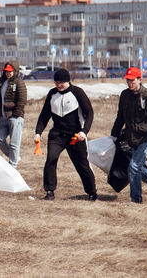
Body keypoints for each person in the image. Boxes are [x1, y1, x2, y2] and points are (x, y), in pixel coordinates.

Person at [34, 68, 97, 201]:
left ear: (68, 81)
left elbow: (89, 113)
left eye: (61, 82)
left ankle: (92, 192)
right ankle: (50, 191)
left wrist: (84, 131)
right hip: (57, 135)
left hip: (75, 136)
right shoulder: (52, 94)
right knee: (51, 158)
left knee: (82, 164)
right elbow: (44, 115)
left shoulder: (78, 93)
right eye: (56, 82)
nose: (58, 85)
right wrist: (38, 133)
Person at [110, 67, 147, 203]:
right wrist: (114, 134)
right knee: (142, 171)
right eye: (128, 81)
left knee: (134, 167)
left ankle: (135, 199)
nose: (130, 83)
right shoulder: (124, 95)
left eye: (132, 80)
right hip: (132, 138)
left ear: (140, 80)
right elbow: (120, 117)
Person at [0, 61, 27, 169]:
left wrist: (15, 114)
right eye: (6, 72)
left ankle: (13, 166)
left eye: (10, 72)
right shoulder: (2, 82)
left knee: (14, 143)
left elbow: (22, 100)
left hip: (15, 117)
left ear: (15, 71)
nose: (8, 74)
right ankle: (14, 157)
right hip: (3, 116)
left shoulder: (19, 83)